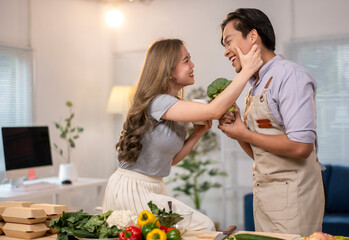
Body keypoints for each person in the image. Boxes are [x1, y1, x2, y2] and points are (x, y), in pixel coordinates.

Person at [102, 38, 262, 231]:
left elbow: (168, 161)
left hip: (153, 186)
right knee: (203, 227)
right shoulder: (158, 102)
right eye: (186, 60)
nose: (192, 65)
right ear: (168, 69)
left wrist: (197, 134)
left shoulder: (174, 104)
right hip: (132, 189)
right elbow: (213, 111)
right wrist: (246, 72)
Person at [218, 8, 325, 236]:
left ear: (253, 37)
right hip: (266, 201)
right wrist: (237, 131)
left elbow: (301, 146)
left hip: (294, 201)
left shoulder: (290, 76)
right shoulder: (255, 86)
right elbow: (261, 153)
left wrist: (244, 134)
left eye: (228, 42)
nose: (226, 52)